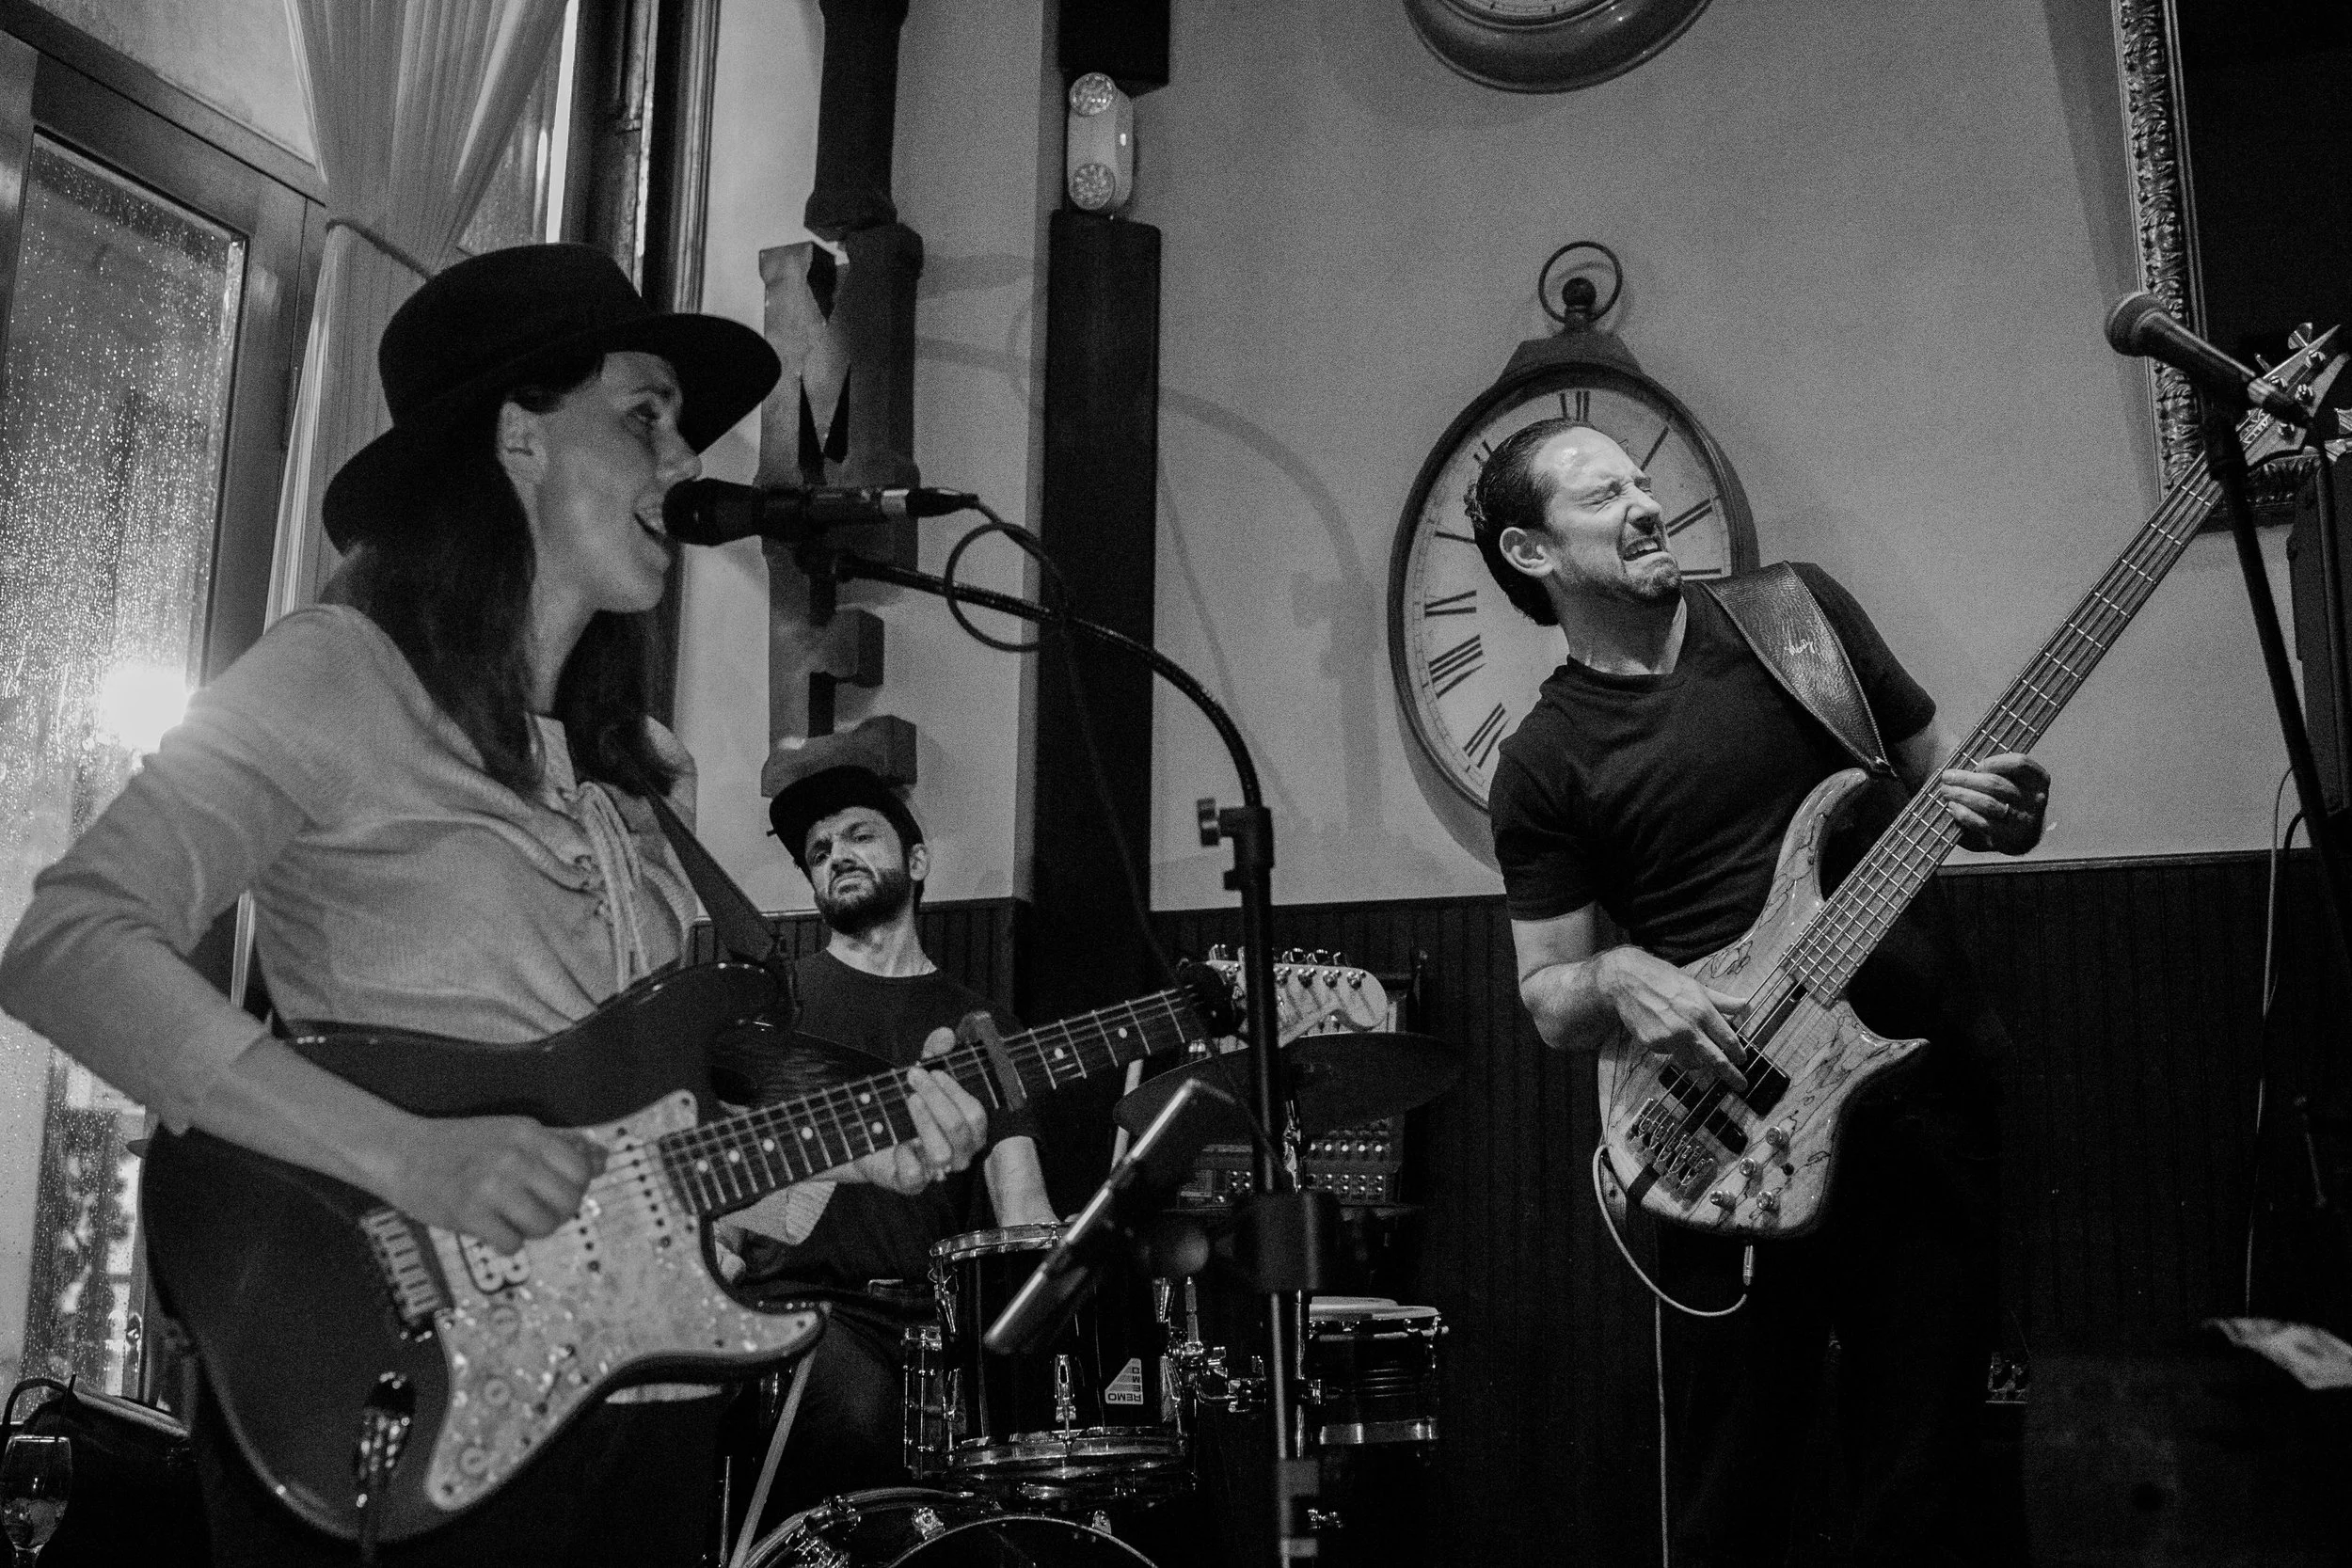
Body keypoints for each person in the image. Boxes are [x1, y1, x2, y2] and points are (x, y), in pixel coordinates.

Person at [0, 245, 994, 1565]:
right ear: (519, 437)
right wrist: (408, 1156)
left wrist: (853, 1150)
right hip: (404, 1400)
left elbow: (632, 1150)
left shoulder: (627, 774)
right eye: (645, 416)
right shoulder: (336, 672)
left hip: (631, 1425)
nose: (685, 460)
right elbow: (67, 945)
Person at [1473, 419, 2047, 1567]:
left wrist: (2014, 810)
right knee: (1736, 1499)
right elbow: (1549, 996)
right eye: (1603, 495)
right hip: (1730, 1136)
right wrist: (1623, 975)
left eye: (1643, 482)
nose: (1645, 504)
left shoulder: (1796, 613)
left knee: (1933, 1489)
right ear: (1533, 552)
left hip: (1920, 1099)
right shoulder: (1542, 760)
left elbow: (1949, 785)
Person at [714, 765, 1055, 1516]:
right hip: (805, 1314)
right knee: (861, 1411)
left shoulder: (979, 1023)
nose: (835, 852)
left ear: (918, 861)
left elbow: (1025, 1206)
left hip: (941, 1330)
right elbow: (726, 1205)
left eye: (860, 834)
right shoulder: (774, 1013)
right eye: (818, 848)